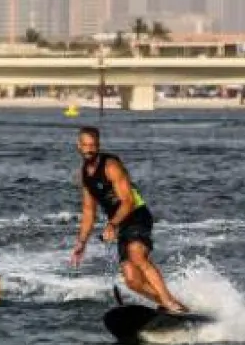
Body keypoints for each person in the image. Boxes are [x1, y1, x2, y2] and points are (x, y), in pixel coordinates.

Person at [68, 125, 190, 314]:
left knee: (137, 255)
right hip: (119, 224)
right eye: (85, 145)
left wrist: (112, 224)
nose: (89, 149)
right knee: (132, 281)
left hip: (136, 215)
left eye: (93, 145)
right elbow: (88, 212)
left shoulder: (111, 166)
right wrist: (81, 243)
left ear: (98, 145)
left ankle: (168, 302)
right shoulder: (85, 175)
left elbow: (128, 201)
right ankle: (174, 305)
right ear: (79, 146)